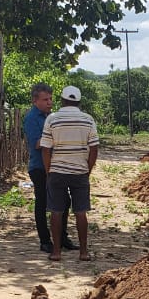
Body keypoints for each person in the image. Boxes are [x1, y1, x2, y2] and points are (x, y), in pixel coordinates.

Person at [39, 84, 98, 262]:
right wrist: (87, 169)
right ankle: (83, 252)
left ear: (62, 100)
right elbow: (94, 148)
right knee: (81, 212)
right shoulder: (88, 120)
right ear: (79, 102)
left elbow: (45, 149)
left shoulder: (52, 119)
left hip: (57, 171)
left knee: (56, 211)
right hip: (80, 172)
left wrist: (49, 171)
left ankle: (56, 252)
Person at [22, 82, 73, 254]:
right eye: (45, 99)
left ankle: (62, 238)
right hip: (39, 167)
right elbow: (36, 143)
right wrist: (58, 140)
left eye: (51, 99)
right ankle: (45, 241)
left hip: (55, 166)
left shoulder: (51, 117)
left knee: (65, 201)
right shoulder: (31, 118)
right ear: (35, 100)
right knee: (43, 203)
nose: (50, 102)